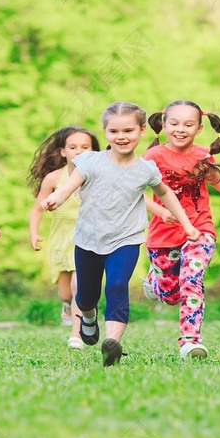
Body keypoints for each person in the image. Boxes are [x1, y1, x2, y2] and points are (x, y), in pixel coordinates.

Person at [41, 100, 199, 367]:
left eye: (128, 131)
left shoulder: (146, 168)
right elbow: (69, 185)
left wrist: (187, 224)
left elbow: (166, 194)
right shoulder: (90, 161)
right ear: (105, 132)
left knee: (116, 286)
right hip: (89, 239)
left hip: (126, 239)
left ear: (141, 131)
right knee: (87, 295)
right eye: (114, 131)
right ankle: (88, 318)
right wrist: (56, 198)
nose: (121, 137)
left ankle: (112, 343)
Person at [142, 100, 220, 359]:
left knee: (192, 279)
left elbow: (217, 180)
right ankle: (154, 281)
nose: (180, 129)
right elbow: (133, 191)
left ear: (199, 128)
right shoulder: (153, 157)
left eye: (188, 124)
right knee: (171, 295)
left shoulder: (202, 155)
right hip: (163, 234)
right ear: (163, 124)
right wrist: (161, 211)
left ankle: (189, 341)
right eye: (174, 123)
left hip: (200, 229)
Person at [28, 125, 101, 348]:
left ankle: (76, 335)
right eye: (73, 147)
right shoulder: (53, 178)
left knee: (80, 286)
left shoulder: (98, 175)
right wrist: (34, 233)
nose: (79, 151)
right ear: (62, 151)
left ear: (93, 151)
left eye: (85, 147)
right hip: (61, 239)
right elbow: (37, 208)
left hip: (87, 237)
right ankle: (69, 306)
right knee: (65, 293)